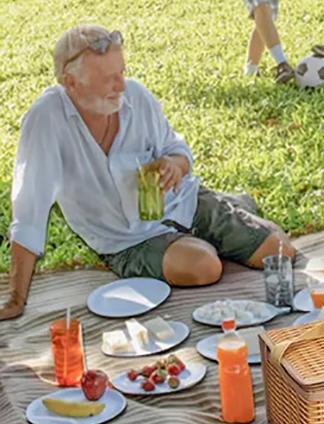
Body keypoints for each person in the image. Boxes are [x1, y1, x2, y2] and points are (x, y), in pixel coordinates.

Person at [0, 25, 295, 321]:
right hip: (127, 239)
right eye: (108, 79)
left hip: (184, 203)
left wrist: (173, 165)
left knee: (281, 252)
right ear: (71, 83)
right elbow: (29, 212)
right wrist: (16, 298)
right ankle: (223, 222)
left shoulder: (136, 97)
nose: (121, 86)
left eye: (122, 73)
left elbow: (178, 150)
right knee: (205, 266)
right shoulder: (46, 120)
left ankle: (230, 211)